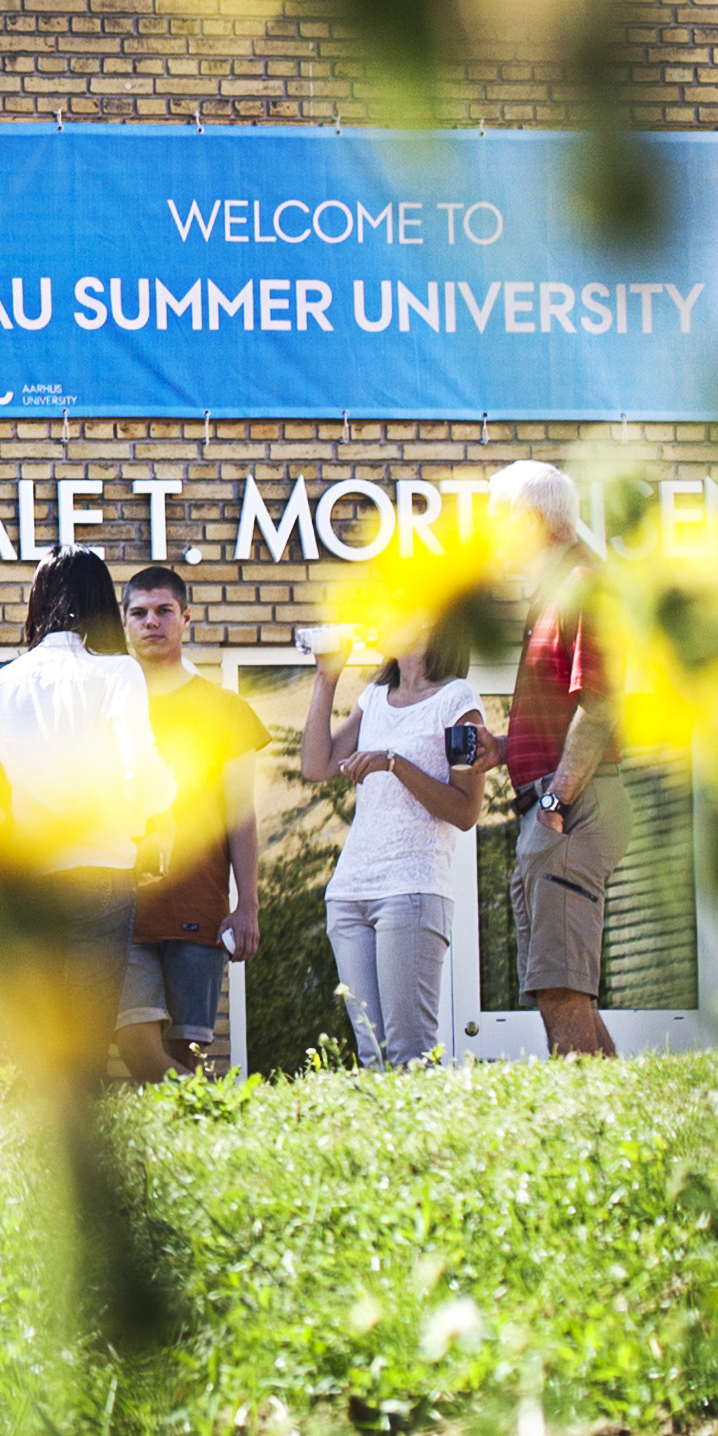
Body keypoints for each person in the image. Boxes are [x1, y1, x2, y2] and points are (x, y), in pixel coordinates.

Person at [0, 551, 171, 1081]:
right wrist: (151, 816)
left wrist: (3, 828)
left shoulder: (6, 682)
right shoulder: (117, 672)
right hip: (103, 870)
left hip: (32, 877)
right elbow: (142, 766)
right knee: (86, 1034)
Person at [309, 617, 491, 1068]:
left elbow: (466, 811)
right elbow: (316, 766)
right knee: (373, 1056)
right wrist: (325, 677)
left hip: (410, 890)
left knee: (410, 1056)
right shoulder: (374, 698)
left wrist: (394, 763)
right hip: (350, 892)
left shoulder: (458, 701)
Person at [491, 461, 624, 1061]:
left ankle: (586, 1126)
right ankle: (620, 1116)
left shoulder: (583, 586)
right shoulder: (554, 593)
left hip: (570, 808)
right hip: (558, 806)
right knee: (557, 987)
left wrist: (554, 801)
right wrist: (506, 748)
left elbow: (600, 706)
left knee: (561, 986)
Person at [121, 564, 267, 1078]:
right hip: (121, 907)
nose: (151, 623)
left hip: (198, 906)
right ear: (125, 623)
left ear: (187, 617)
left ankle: (187, 1150)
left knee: (184, 1055)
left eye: (163, 611)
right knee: (139, 1053)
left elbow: (240, 813)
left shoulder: (224, 709)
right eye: (138, 613)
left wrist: (247, 903)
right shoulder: (111, 706)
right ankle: (222, 1116)